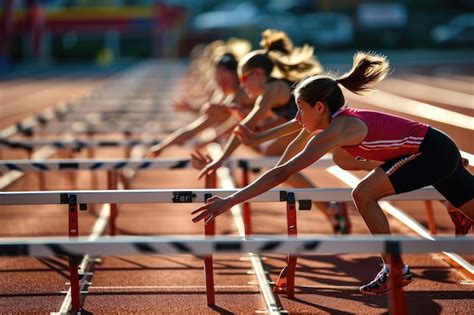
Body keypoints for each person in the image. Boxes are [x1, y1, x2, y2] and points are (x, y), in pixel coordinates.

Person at [191, 51, 474, 295]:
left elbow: (281, 172)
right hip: (437, 149)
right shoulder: (332, 123)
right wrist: (257, 139)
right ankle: (446, 214)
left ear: (319, 107)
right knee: (344, 160)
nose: (298, 118)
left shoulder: (337, 129)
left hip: (430, 153)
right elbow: (289, 145)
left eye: (300, 110)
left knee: (362, 193)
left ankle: (395, 267)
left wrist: (229, 201)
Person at [195, 29, 352, 234]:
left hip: (323, 123)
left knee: (278, 163)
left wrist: (221, 159)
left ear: (259, 74)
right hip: (307, 126)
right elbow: (264, 127)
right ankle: (329, 206)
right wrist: (250, 130)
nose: (243, 85)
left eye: (244, 79)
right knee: (278, 164)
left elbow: (249, 126)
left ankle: (329, 205)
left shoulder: (272, 90)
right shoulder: (268, 92)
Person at [147, 40, 255, 157]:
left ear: (237, 75)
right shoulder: (228, 98)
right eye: (218, 80)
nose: (221, 84)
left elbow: (236, 124)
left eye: (225, 80)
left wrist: (210, 139)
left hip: (269, 144)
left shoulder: (246, 94)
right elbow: (192, 130)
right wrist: (163, 145)